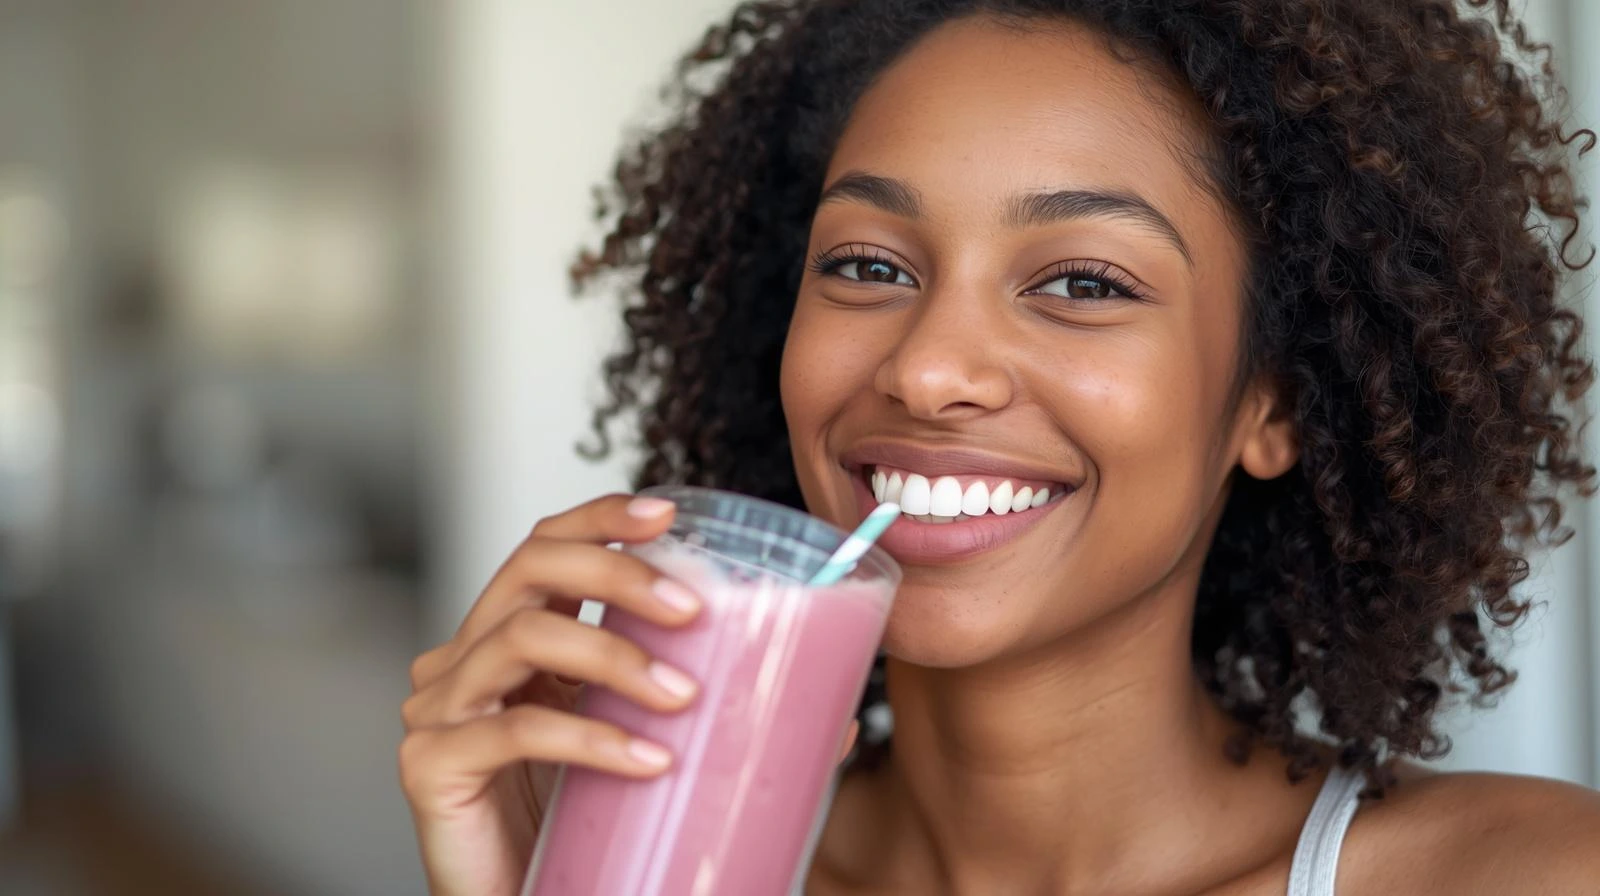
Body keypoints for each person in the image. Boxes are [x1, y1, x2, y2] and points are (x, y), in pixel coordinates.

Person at [399, 1, 1600, 893]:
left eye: (1082, 281)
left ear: (1271, 405)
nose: (926, 367)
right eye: (867, 265)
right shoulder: (662, 873)